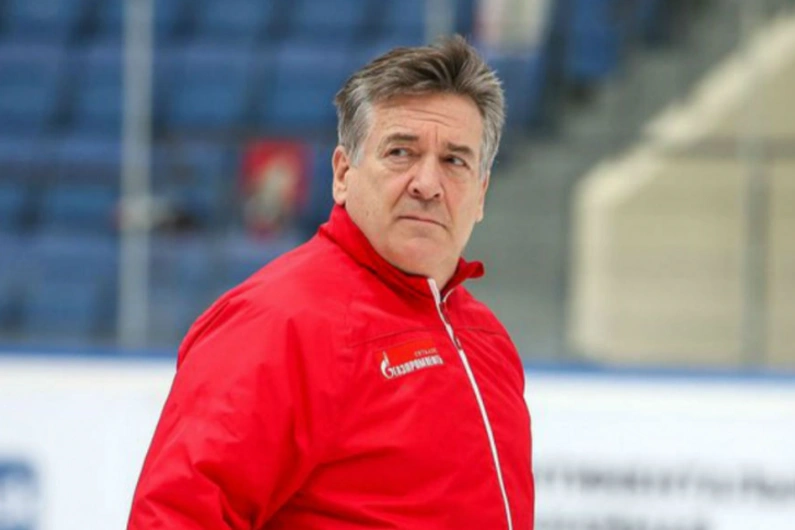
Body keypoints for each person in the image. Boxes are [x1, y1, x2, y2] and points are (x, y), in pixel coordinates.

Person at [127, 35, 534, 529]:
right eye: (401, 152)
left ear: (481, 193)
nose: (427, 184)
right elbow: (176, 516)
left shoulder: (486, 338)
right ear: (343, 174)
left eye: (454, 161)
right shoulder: (277, 322)